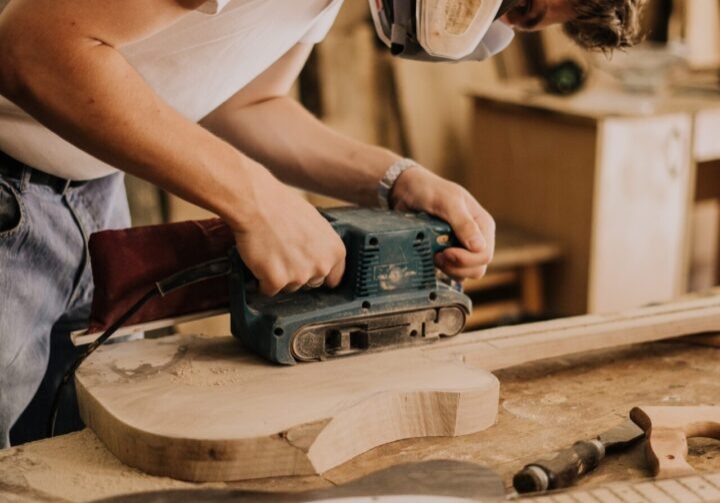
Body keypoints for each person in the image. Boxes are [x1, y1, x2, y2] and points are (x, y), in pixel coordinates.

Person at [0, 0, 645, 448]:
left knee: (79, 454)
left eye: (519, 23)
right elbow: (35, 46)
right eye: (518, 6)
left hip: (88, 195)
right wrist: (255, 201)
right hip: (9, 189)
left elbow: (248, 100)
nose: (493, 24)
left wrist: (396, 179)